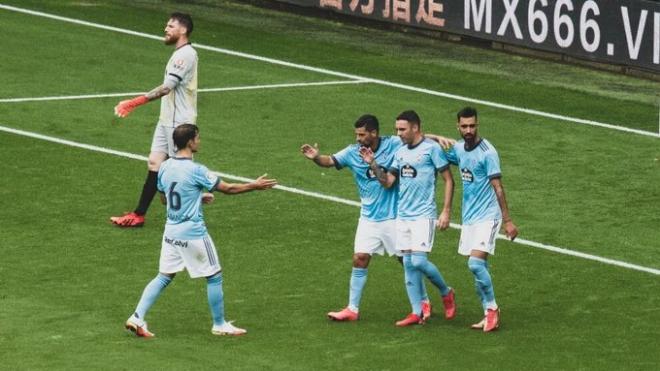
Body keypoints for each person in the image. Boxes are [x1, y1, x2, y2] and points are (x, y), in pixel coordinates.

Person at [125, 124, 277, 337]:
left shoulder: (165, 166)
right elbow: (228, 189)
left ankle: (137, 317)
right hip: (193, 233)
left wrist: (196, 197)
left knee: (164, 276)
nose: (199, 141)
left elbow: (164, 198)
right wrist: (255, 185)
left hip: (171, 232)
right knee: (214, 275)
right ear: (189, 142)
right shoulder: (197, 170)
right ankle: (219, 324)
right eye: (197, 138)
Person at [300, 115, 454, 322]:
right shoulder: (353, 152)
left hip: (393, 216)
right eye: (356, 134)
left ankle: (424, 301)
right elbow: (330, 161)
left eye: (362, 134)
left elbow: (414, 137)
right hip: (368, 217)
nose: (358, 139)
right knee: (360, 258)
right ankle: (352, 308)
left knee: (409, 262)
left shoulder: (392, 144)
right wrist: (316, 157)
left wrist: (436, 137)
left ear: (374, 133)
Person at [360, 110, 456, 327]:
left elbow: (448, 180)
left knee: (419, 261)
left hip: (424, 215)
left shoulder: (432, 149)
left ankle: (446, 291)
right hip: (403, 216)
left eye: (402, 129)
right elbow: (388, 182)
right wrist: (373, 163)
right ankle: (416, 312)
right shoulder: (400, 152)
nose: (398, 133)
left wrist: (446, 211)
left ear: (415, 127)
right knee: (408, 265)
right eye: (397, 129)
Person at [111, 12, 198, 228]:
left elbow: (166, 88)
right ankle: (139, 215)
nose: (165, 29)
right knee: (155, 163)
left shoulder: (185, 55)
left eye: (170, 26)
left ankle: (191, 204)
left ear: (183, 30)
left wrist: (134, 102)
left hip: (179, 123)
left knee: (179, 171)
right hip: (166, 119)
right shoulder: (178, 53)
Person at [445, 107, 518, 332]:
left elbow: (498, 187)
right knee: (479, 268)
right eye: (464, 126)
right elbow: (425, 144)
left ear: (478, 125)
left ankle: (493, 309)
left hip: (489, 216)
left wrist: (507, 220)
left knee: (475, 263)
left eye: (472, 125)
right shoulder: (458, 149)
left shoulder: (488, 152)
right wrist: (435, 137)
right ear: (457, 126)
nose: (468, 130)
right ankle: (488, 314)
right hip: (470, 218)